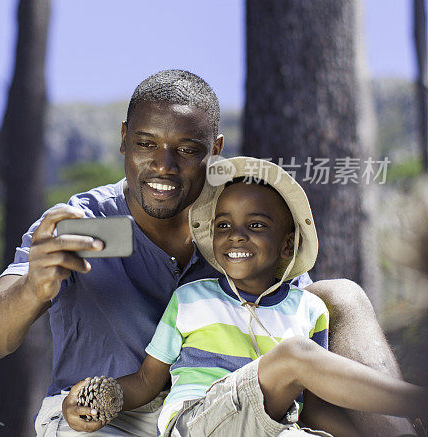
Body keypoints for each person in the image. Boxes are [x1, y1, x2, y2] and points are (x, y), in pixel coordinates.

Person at [0, 70, 416, 436]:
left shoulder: (238, 225)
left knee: (340, 294)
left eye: (187, 149)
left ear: (214, 151)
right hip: (104, 416)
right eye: (146, 144)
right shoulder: (79, 220)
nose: (164, 165)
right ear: (124, 139)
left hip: (220, 414)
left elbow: (294, 329)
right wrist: (31, 290)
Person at [61, 157, 426, 436]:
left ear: (287, 244)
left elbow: (311, 403)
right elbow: (145, 381)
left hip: (276, 426)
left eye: (255, 225)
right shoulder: (192, 300)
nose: (236, 235)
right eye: (223, 226)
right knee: (295, 356)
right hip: (200, 420)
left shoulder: (308, 308)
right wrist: (99, 395)